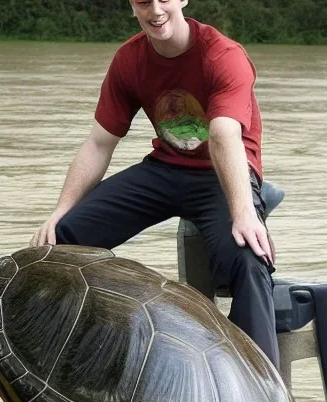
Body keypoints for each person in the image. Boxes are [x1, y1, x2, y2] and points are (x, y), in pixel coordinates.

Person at [30, 0, 279, 368]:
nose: (155, 9)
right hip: (164, 170)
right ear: (133, 5)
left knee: (247, 258)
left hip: (222, 174)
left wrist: (243, 213)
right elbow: (98, 144)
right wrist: (60, 212)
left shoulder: (222, 55)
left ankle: (262, 384)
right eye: (144, 1)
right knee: (61, 240)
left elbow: (224, 134)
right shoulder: (129, 60)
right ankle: (63, 359)